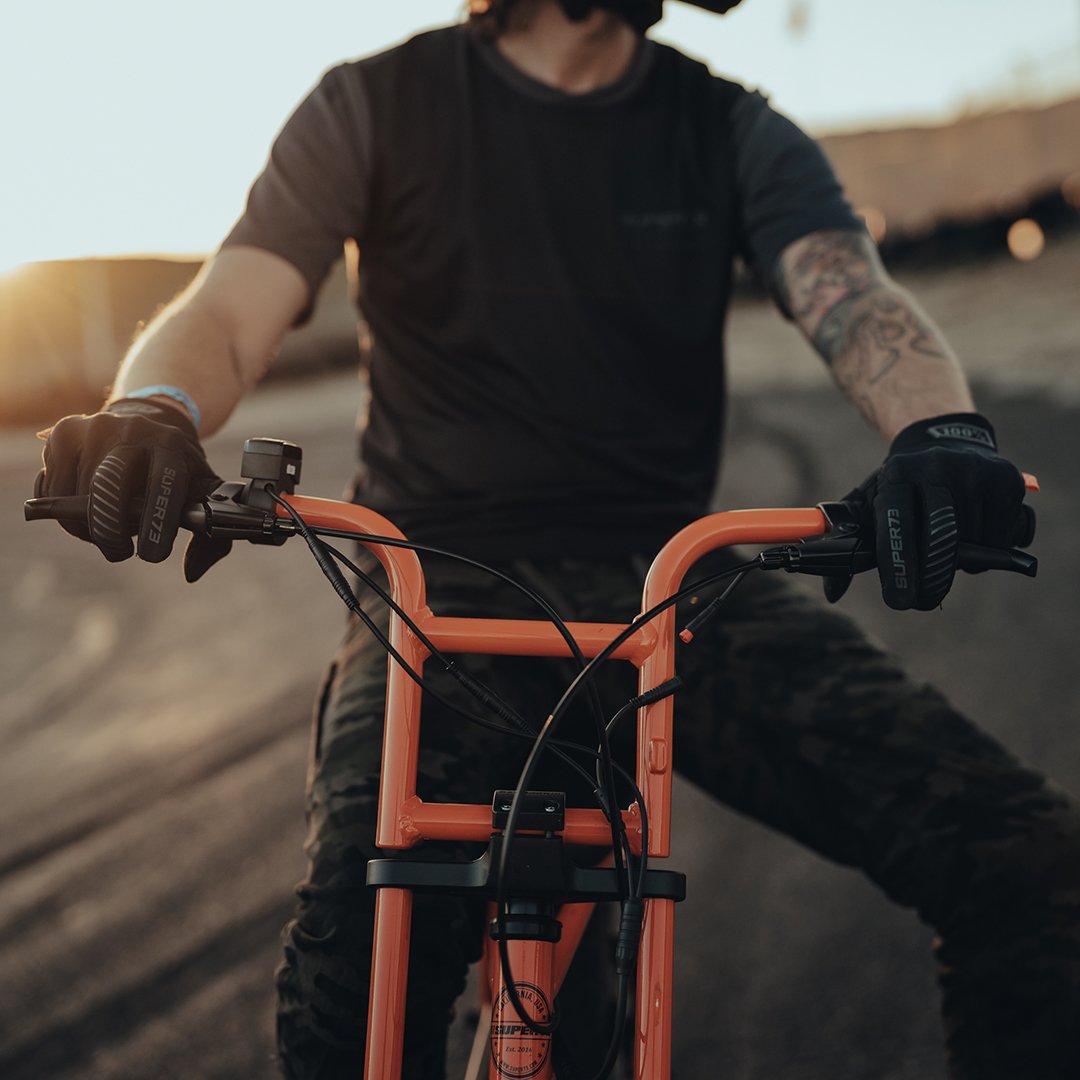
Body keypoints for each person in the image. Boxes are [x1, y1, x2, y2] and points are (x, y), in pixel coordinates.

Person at [34, 1, 1079, 1077]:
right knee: (352, 981)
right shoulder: (372, 105)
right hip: (434, 593)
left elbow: (853, 296)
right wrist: (154, 409)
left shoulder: (725, 127)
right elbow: (230, 305)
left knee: (1027, 865)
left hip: (670, 590)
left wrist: (938, 432)